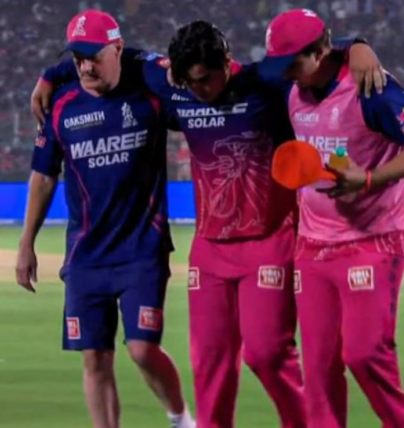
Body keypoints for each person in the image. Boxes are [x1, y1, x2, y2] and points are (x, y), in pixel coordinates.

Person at [31, 18, 386, 428]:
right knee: (209, 362)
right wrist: (51, 74)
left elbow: (311, 55)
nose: (198, 90)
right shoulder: (173, 85)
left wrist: (355, 46)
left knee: (267, 355)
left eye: (205, 79)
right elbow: (112, 56)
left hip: (268, 240)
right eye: (189, 82)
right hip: (210, 248)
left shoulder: (263, 82)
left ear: (227, 61)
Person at [259, 8, 404, 428]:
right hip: (312, 243)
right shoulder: (290, 84)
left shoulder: (371, 89)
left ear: (320, 52)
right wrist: (357, 43)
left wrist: (370, 179)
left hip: (373, 238)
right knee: (319, 366)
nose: (285, 73)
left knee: (364, 354)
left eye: (292, 63)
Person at [14, 10, 195, 428]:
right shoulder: (61, 106)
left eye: (94, 56)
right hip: (85, 255)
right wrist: (26, 243)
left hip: (142, 249)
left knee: (142, 349)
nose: (85, 67)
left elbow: (183, 87)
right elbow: (44, 176)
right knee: (94, 357)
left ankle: (181, 419)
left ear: (117, 49)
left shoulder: (150, 92)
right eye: (77, 58)